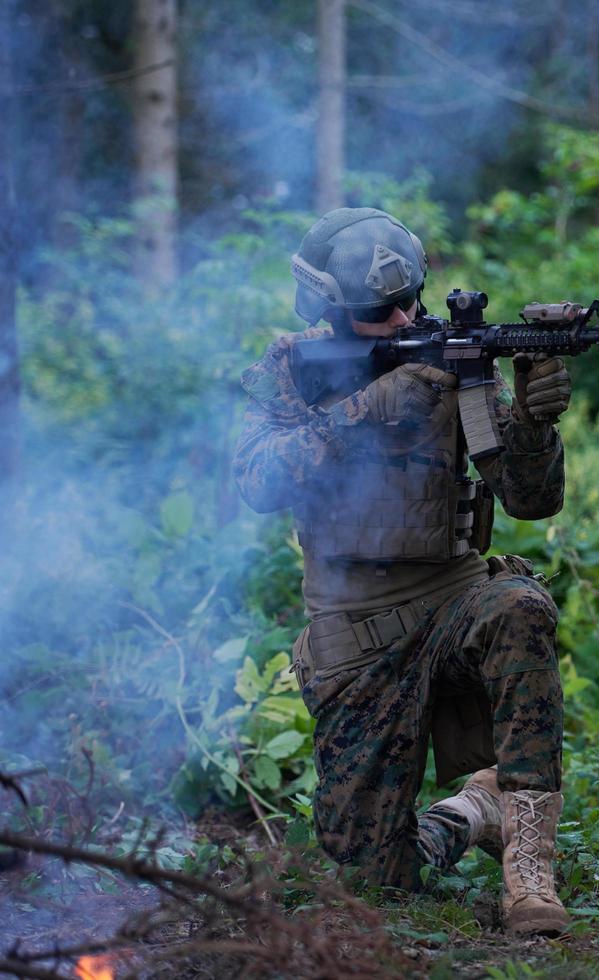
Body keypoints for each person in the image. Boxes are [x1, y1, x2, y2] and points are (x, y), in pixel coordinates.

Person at [232, 207, 573, 935]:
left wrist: (536, 425)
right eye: (377, 311)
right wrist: (363, 408)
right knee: (372, 880)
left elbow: (531, 500)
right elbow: (257, 483)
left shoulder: (459, 363)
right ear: (328, 308)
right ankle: (472, 812)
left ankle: (531, 874)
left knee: (519, 606)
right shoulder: (292, 367)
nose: (401, 318)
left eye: (410, 300)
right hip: (354, 633)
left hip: (455, 603)